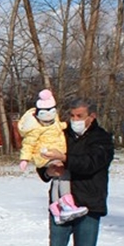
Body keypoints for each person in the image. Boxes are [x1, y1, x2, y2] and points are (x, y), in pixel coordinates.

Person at [37, 97, 114, 246]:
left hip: (89, 204)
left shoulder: (102, 139)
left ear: (92, 117)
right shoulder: (61, 135)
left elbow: (91, 164)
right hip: (60, 203)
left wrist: (65, 159)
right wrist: (47, 171)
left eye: (79, 116)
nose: (74, 120)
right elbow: (43, 160)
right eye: (71, 116)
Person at [17, 89, 88, 224]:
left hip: (56, 153)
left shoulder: (55, 123)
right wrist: (24, 159)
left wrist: (68, 125)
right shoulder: (34, 129)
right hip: (46, 154)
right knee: (64, 174)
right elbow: (28, 144)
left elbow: (59, 126)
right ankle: (67, 203)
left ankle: (56, 207)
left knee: (57, 178)